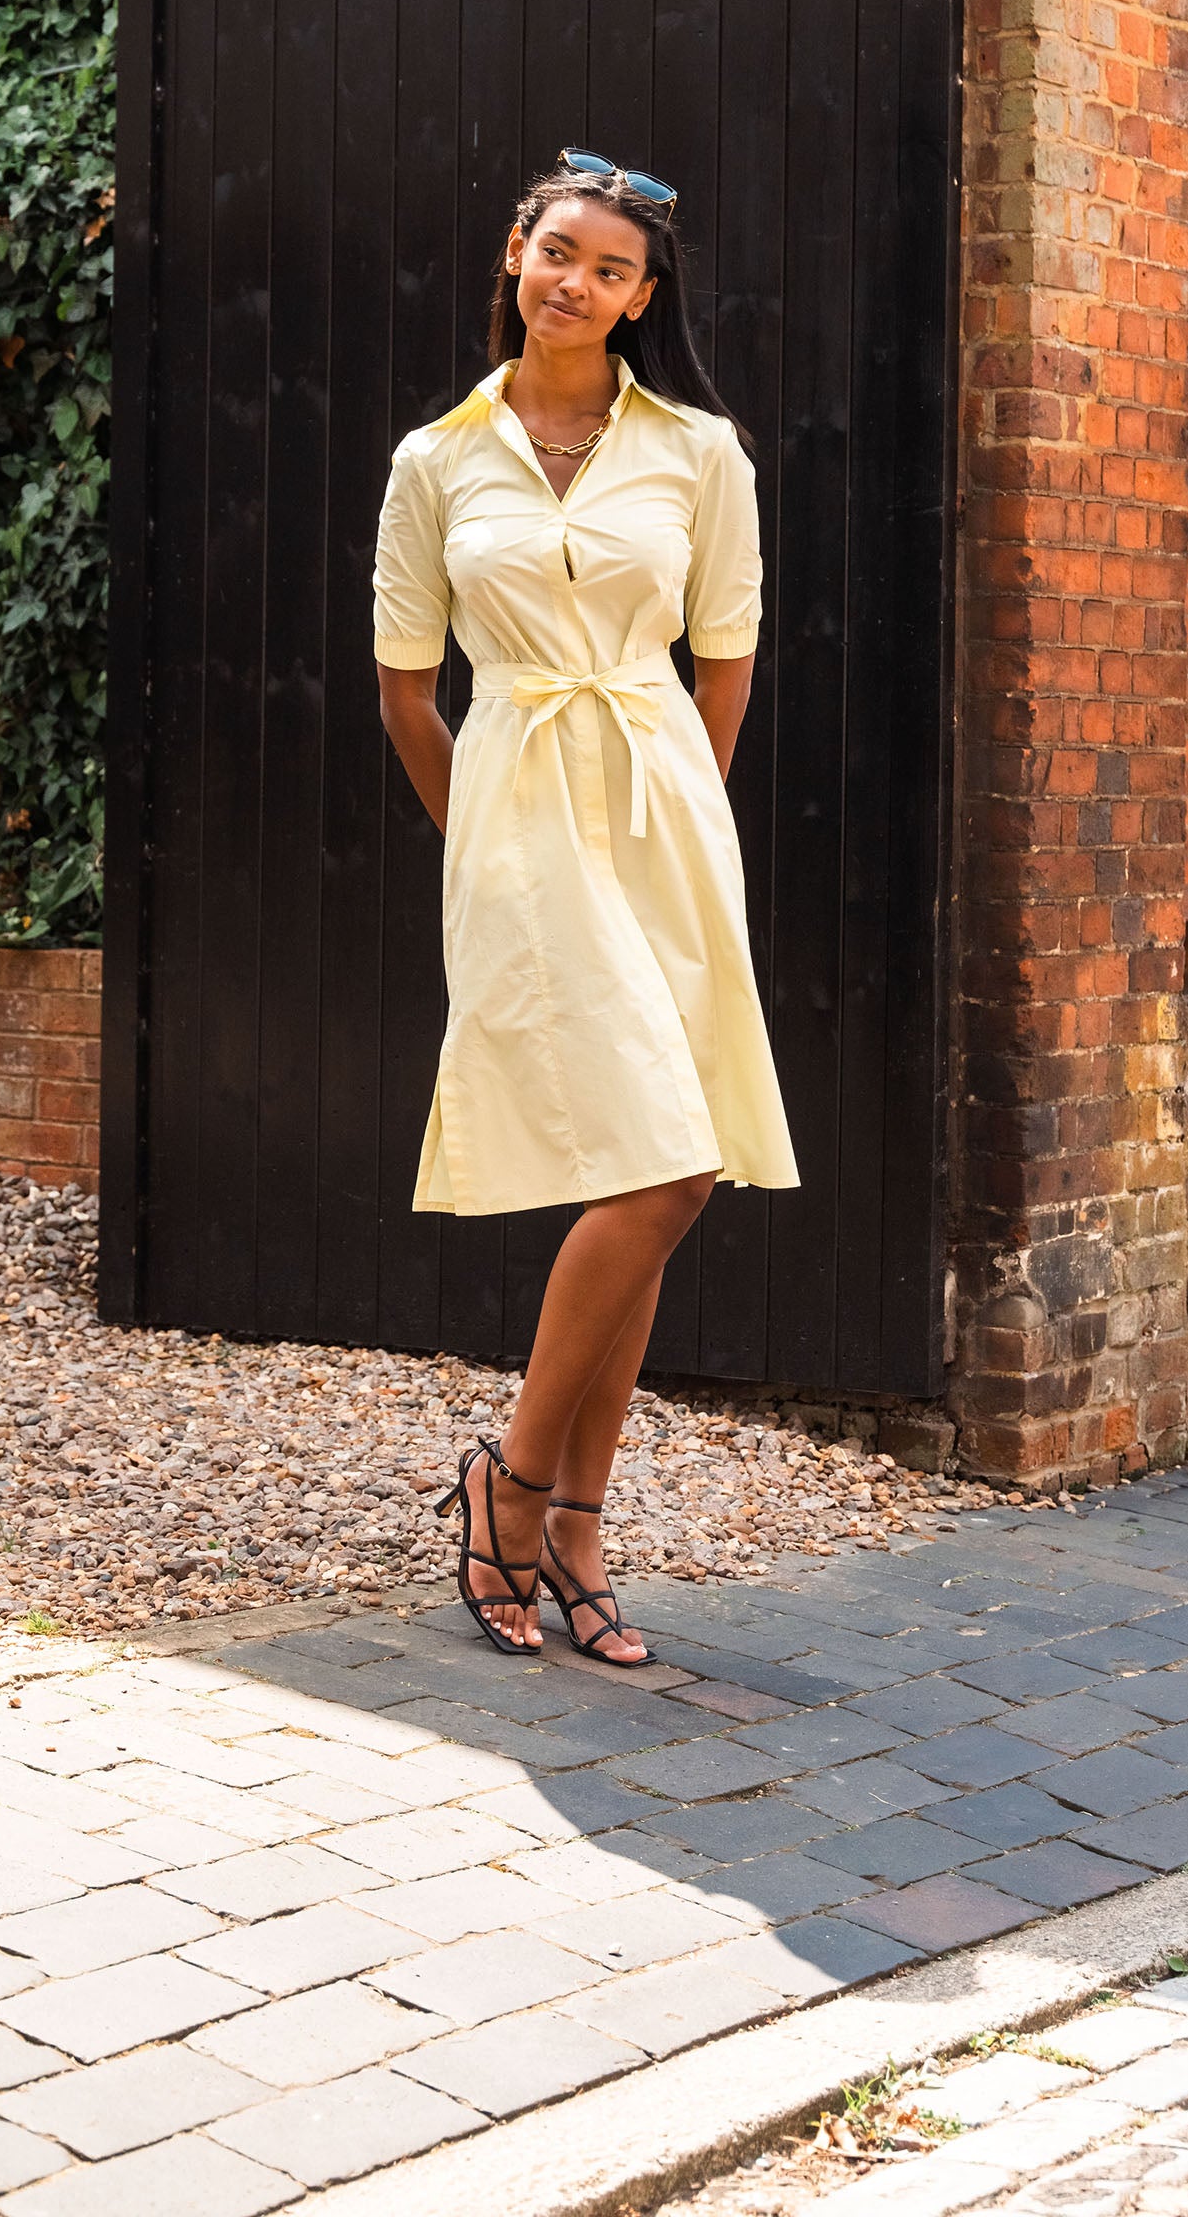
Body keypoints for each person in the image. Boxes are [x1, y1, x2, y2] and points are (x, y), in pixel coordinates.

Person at [373, 150, 798, 1665]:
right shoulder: (436, 461)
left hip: (664, 814)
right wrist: (479, 829)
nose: (579, 282)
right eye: (561, 252)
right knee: (669, 1165)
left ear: (641, 295)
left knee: (661, 1160)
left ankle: (568, 1518)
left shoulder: (699, 452)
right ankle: (523, 1487)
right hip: (512, 813)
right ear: (516, 252)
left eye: (611, 269)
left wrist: (684, 795)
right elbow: (405, 687)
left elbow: (727, 655)